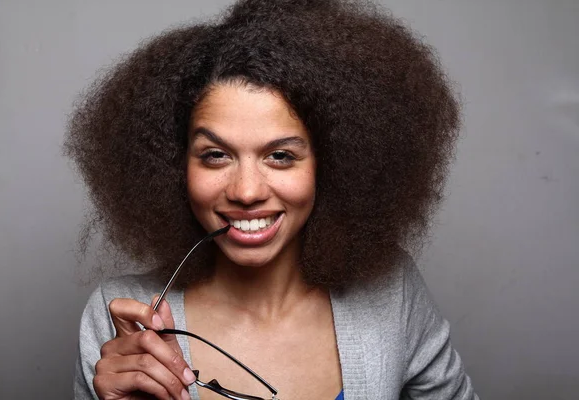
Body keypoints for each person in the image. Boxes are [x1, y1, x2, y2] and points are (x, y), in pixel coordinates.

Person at [66, 0, 479, 399]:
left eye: (280, 156)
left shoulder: (391, 293)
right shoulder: (120, 320)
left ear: (332, 165)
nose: (246, 192)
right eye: (216, 155)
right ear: (174, 166)